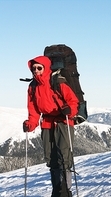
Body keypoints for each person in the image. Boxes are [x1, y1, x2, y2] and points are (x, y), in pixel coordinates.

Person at [23, 56, 79, 197]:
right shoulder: (33, 87)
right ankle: (57, 190)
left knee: (64, 157)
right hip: (47, 123)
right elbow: (34, 110)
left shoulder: (58, 82)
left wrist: (70, 110)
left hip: (63, 121)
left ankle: (65, 191)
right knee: (51, 158)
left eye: (39, 68)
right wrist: (31, 124)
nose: (36, 71)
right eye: (34, 68)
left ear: (46, 68)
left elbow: (73, 101)